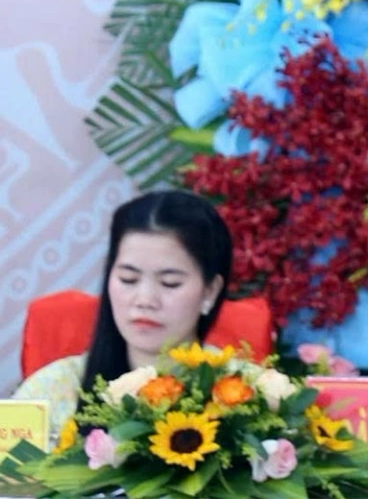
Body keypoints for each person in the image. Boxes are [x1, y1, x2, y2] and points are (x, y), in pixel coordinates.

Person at [12, 190, 232, 444]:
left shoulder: (248, 393)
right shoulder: (52, 392)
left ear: (210, 291)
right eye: (129, 279)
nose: (145, 299)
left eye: (170, 283)